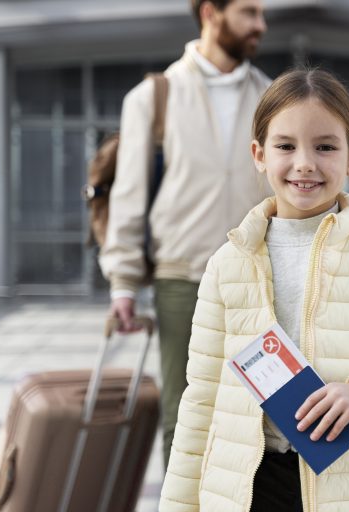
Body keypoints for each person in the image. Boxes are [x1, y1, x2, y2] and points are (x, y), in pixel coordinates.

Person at [157, 68, 349, 512]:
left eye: (325, 147)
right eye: (285, 146)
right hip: (249, 488)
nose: (304, 163)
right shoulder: (228, 264)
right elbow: (200, 402)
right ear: (259, 155)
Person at [99, 0, 270, 469]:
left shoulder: (272, 96)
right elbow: (129, 194)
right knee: (184, 415)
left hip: (257, 278)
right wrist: (123, 282)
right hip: (181, 277)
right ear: (211, 12)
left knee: (260, 415)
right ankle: (183, 501)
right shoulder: (155, 96)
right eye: (249, 12)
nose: (261, 25)